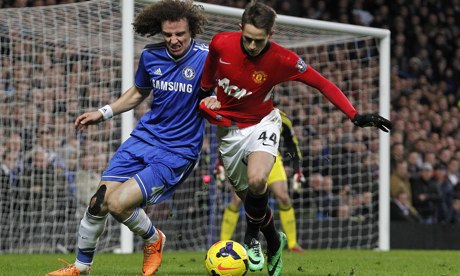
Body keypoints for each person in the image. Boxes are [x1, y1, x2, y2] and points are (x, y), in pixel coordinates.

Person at [198, 2, 392, 275]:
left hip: (264, 122)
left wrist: (354, 114)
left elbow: (321, 82)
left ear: (271, 34)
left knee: (257, 180)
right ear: (240, 29)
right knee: (251, 200)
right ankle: (275, 242)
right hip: (230, 132)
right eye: (248, 39)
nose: (252, 46)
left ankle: (250, 238)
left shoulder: (283, 59)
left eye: (259, 41)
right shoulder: (220, 44)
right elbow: (206, 83)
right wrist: (205, 101)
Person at [47, 1, 208, 275]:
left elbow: (226, 90)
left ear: (191, 29)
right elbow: (138, 93)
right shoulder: (151, 56)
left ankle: (154, 239)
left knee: (119, 204)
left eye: (180, 33)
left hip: (177, 150)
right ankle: (80, 267)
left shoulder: (208, 58)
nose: (174, 40)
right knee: (98, 202)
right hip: (144, 140)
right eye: (168, 34)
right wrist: (103, 112)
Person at [220, 109, 305, 253]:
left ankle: (292, 243)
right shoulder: (245, 112)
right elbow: (230, 140)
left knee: (283, 197)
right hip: (247, 158)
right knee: (237, 200)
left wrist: (297, 170)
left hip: (273, 159)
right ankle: (223, 241)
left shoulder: (280, 117)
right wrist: (219, 164)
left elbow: (291, 144)